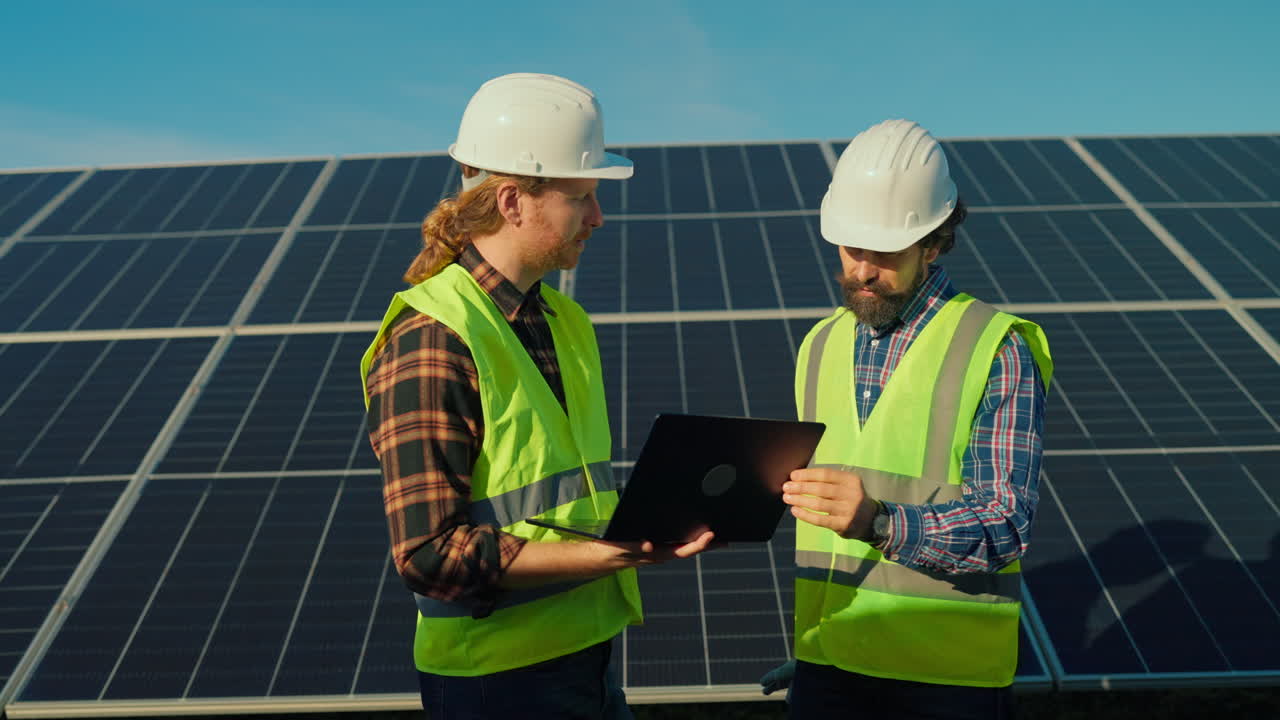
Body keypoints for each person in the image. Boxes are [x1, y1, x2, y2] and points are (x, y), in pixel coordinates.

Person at [359, 73, 716, 720]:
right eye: (581, 197)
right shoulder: (434, 339)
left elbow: (565, 492)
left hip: (587, 657)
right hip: (494, 682)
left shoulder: (563, 321)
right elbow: (428, 556)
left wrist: (649, 521)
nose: (598, 217)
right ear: (512, 202)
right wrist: (601, 555)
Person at [763, 119, 1053, 719]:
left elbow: (1005, 524)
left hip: (946, 681)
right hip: (829, 664)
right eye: (851, 247)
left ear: (934, 243)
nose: (863, 270)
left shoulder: (995, 347)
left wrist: (880, 521)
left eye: (886, 251)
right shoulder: (819, 344)